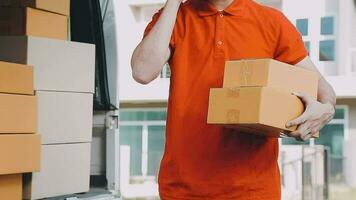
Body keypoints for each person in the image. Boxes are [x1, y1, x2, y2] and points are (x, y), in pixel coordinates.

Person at [131, 0, 336, 199]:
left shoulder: (272, 22)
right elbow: (142, 72)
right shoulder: (175, 18)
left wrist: (325, 110)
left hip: (253, 191)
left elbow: (325, 93)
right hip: (183, 189)